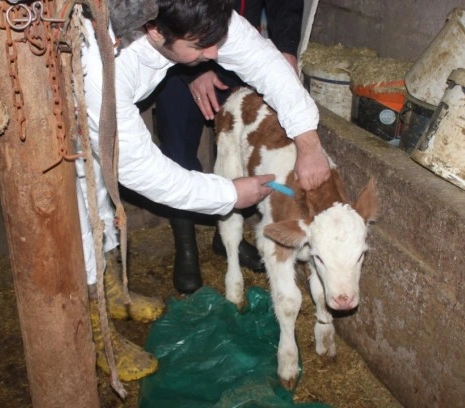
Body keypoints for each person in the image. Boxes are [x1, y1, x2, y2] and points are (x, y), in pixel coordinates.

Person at [77, 0, 331, 382]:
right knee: (79, 201)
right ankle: (94, 332)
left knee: (97, 186)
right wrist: (228, 195)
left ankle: (112, 291)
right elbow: (139, 168)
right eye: (200, 47)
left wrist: (309, 143)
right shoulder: (99, 69)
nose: (214, 55)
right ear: (154, 31)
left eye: (215, 40)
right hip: (59, 105)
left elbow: (265, 63)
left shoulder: (199, 17)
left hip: (124, 83)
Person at [154, 0, 304, 294]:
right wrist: (192, 72)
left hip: (236, 44)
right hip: (180, 55)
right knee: (178, 148)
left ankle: (225, 237)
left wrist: (285, 49)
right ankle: (186, 248)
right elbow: (169, 14)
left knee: (236, 145)